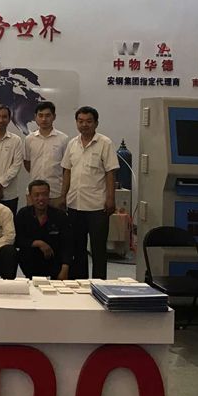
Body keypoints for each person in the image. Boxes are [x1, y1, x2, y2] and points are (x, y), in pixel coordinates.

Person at [61, 106, 119, 280]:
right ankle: (80, 284)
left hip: (97, 206)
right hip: (74, 204)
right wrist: (63, 196)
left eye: (88, 121)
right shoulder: (72, 144)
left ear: (96, 123)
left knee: (98, 249)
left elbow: (110, 172)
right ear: (76, 123)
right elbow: (67, 171)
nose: (84, 125)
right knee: (77, 249)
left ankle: (99, 285)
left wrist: (111, 198)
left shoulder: (105, 143)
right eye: (80, 121)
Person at [15, 180, 71, 280]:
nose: (41, 198)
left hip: (54, 262)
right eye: (36, 195)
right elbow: (18, 240)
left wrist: (65, 268)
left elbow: (67, 244)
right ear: (30, 197)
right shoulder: (23, 214)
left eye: (44, 194)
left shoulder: (60, 215)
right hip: (31, 262)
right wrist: (38, 243)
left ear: (49, 196)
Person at [24, 101, 69, 209]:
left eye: (48, 115)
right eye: (40, 115)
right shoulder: (29, 139)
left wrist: (63, 195)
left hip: (55, 193)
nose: (44, 119)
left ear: (54, 117)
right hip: (33, 193)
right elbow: (27, 163)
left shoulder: (63, 139)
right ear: (35, 117)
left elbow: (66, 168)